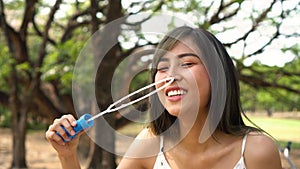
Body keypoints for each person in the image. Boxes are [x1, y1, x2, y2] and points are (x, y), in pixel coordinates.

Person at [46, 26, 282, 169]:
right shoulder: (150, 143)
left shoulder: (256, 151)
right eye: (162, 67)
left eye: (187, 63)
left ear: (218, 75)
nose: (170, 76)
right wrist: (68, 157)